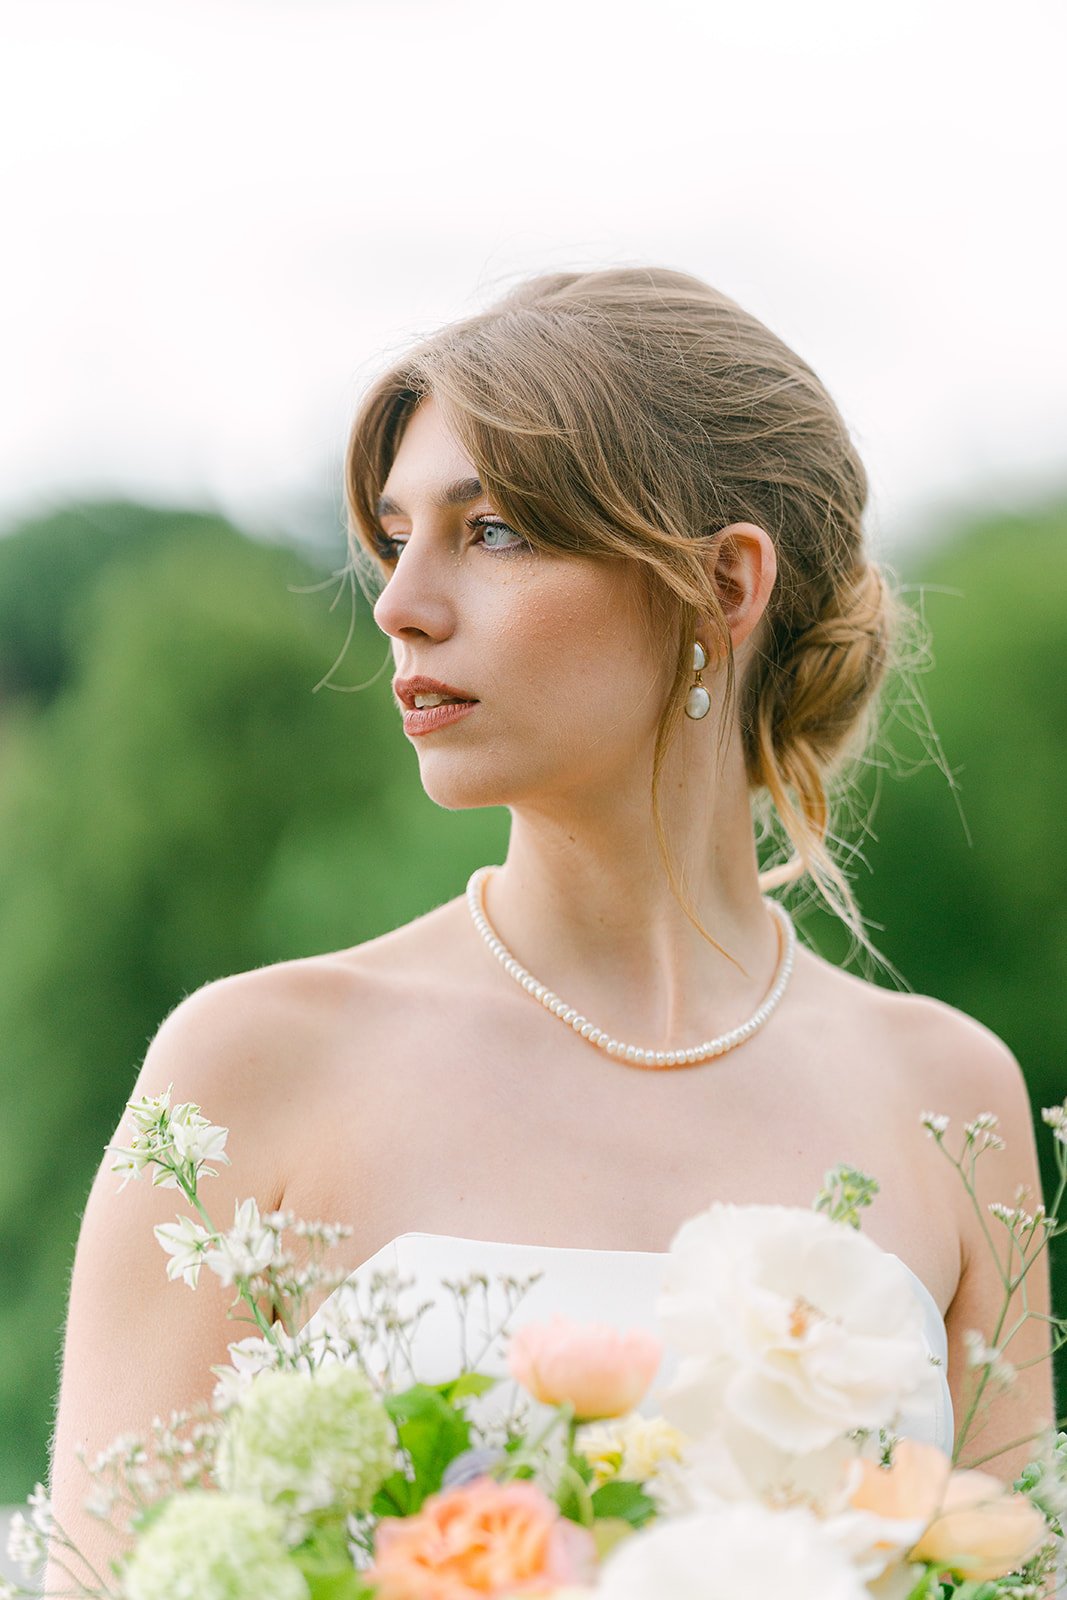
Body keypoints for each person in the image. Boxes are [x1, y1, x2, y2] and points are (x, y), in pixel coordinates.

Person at [45, 266, 1054, 1590]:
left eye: (495, 531)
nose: (403, 603)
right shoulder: (251, 1067)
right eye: (395, 537)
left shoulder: (948, 1098)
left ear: (724, 583)